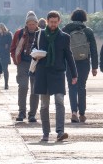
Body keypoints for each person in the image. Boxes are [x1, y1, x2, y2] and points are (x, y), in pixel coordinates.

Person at [31, 10, 77, 142]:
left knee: (59, 102)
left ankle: (60, 131)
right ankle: (45, 133)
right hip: (43, 73)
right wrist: (36, 53)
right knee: (44, 105)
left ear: (59, 22)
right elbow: (33, 49)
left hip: (58, 73)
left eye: (55, 22)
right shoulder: (39, 34)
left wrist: (74, 74)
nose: (53, 24)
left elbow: (69, 56)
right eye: (51, 22)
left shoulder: (64, 37)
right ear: (47, 21)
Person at [62, 8, 98, 123]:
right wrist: (94, 67)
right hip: (84, 62)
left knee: (72, 87)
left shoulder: (66, 29)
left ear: (72, 17)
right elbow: (93, 49)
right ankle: (82, 113)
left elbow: (61, 47)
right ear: (84, 18)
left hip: (70, 62)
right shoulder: (88, 31)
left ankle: (74, 112)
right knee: (82, 86)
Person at [10, 11, 40, 122]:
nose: (31, 26)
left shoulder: (41, 33)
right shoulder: (19, 33)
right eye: (29, 24)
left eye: (33, 24)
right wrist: (15, 59)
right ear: (26, 24)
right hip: (23, 63)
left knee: (35, 89)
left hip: (36, 63)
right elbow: (13, 48)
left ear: (36, 23)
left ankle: (32, 113)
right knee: (23, 87)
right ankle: (21, 111)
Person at [0, 23, 12, 90]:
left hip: (5, 55)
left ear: (3, 28)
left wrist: (7, 48)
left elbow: (9, 44)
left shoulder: (8, 35)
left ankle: (6, 84)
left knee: (5, 70)